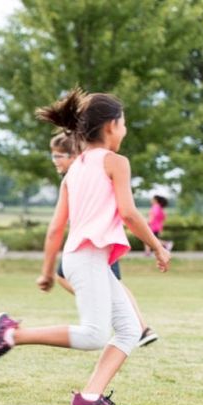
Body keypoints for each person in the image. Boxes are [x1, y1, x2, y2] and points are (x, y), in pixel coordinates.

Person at [0, 88, 171, 405]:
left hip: (81, 258)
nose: (125, 130)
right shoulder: (116, 162)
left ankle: (89, 398)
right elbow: (129, 214)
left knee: (130, 329)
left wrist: (48, 270)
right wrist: (158, 247)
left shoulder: (75, 169)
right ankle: (12, 334)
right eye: (123, 124)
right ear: (110, 125)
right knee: (95, 335)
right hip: (89, 257)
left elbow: (55, 228)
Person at [50, 132, 158, 348]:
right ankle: (132, 322)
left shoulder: (91, 168)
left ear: (73, 155)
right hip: (88, 246)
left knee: (99, 330)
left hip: (96, 243)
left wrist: (157, 246)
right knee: (74, 281)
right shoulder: (75, 176)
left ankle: (141, 326)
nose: (55, 161)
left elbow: (127, 212)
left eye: (58, 156)